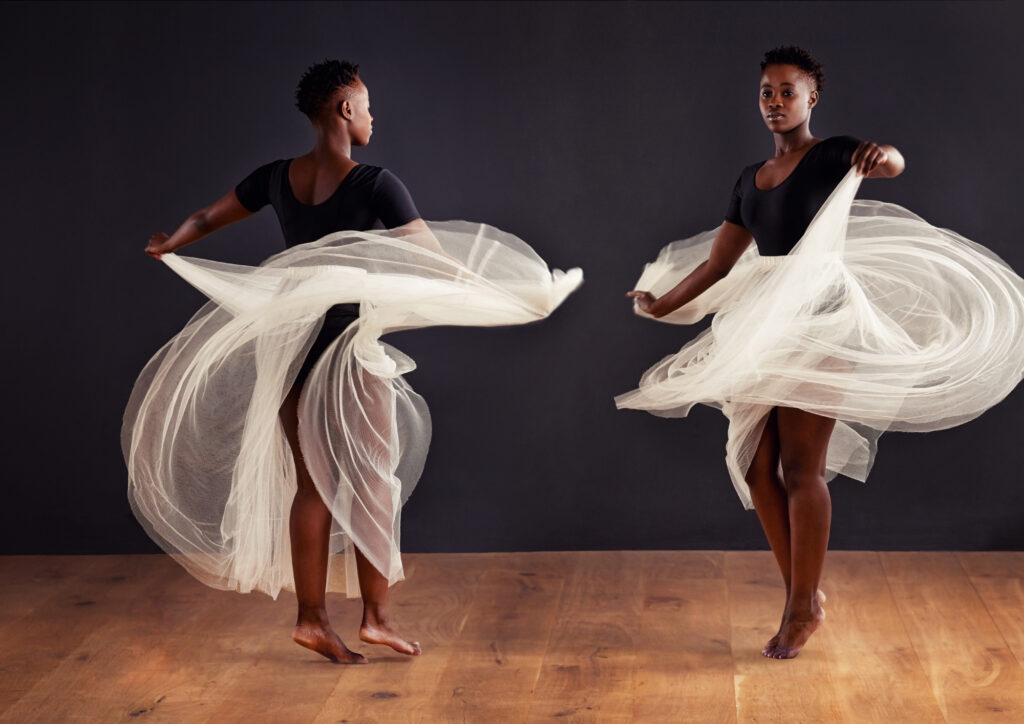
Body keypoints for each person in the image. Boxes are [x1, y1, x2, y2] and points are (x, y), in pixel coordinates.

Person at [128, 60, 581, 665]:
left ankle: (313, 620)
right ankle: (375, 617)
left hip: (290, 344)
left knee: (312, 485)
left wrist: (170, 244)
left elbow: (208, 218)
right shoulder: (375, 184)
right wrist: (508, 292)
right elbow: (436, 260)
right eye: (366, 104)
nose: (373, 115)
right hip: (346, 344)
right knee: (372, 479)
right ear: (344, 110)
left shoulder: (275, 178)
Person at [616, 46, 1024, 659]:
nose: (775, 102)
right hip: (763, 320)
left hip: (823, 318)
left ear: (812, 98)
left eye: (787, 91)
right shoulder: (748, 178)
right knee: (756, 466)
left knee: (800, 469)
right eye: (766, 93)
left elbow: (891, 162)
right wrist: (660, 305)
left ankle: (801, 606)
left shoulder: (834, 154)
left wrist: (880, 155)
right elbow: (718, 265)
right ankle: (803, 597)